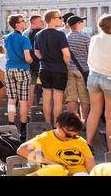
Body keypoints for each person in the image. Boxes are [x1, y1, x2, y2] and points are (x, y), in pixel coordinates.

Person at [17, 112, 95, 176]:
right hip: (58, 172)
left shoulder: (80, 141)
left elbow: (91, 167)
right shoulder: (45, 138)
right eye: (68, 135)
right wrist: (49, 162)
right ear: (58, 126)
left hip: (80, 174)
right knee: (57, 169)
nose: (71, 138)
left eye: (74, 136)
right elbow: (22, 150)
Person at [34, 10, 70, 125]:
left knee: (47, 98)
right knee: (58, 100)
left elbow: (37, 53)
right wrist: (67, 65)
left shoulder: (38, 34)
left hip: (44, 69)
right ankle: (56, 126)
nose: (62, 19)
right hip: (59, 69)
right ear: (52, 20)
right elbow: (66, 54)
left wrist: (45, 59)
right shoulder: (60, 34)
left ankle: (47, 124)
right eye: (59, 17)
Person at [4, 14, 33, 141]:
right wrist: (31, 60)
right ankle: (22, 128)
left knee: (11, 99)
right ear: (17, 24)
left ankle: (11, 126)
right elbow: (27, 58)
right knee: (23, 100)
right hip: (22, 69)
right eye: (23, 21)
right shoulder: (24, 39)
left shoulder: (7, 38)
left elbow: (6, 56)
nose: (25, 22)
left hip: (9, 68)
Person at [86, 13, 111, 152]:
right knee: (109, 117)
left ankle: (88, 143)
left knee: (94, 112)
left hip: (94, 76)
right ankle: (110, 150)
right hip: (109, 77)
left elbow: (90, 58)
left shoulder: (95, 38)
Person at [65, 15, 90, 122]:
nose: (83, 24)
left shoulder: (66, 38)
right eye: (81, 22)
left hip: (70, 69)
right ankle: (85, 121)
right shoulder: (86, 38)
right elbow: (91, 54)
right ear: (78, 24)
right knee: (84, 97)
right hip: (83, 70)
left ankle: (73, 121)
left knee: (71, 97)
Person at [23, 15, 45, 108]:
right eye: (40, 21)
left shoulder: (26, 34)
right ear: (34, 23)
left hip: (30, 65)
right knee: (45, 90)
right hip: (40, 65)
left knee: (30, 90)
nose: (43, 23)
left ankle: (29, 112)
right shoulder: (40, 34)